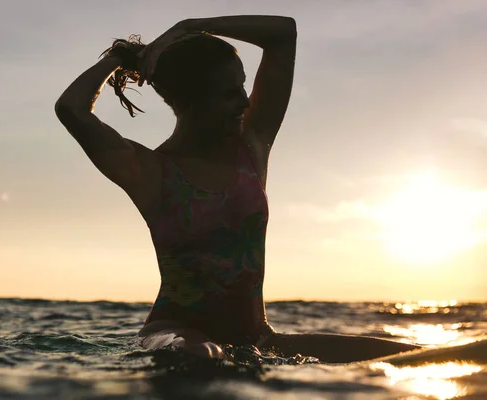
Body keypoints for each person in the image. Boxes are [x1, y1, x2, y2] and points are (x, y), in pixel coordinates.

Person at [55, 15, 419, 363]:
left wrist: (194, 26)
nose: (245, 101)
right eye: (229, 93)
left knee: (411, 355)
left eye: (242, 85)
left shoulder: (252, 147)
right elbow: (71, 108)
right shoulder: (149, 171)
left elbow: (283, 33)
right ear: (191, 101)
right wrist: (123, 58)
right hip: (174, 333)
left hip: (258, 337)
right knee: (203, 353)